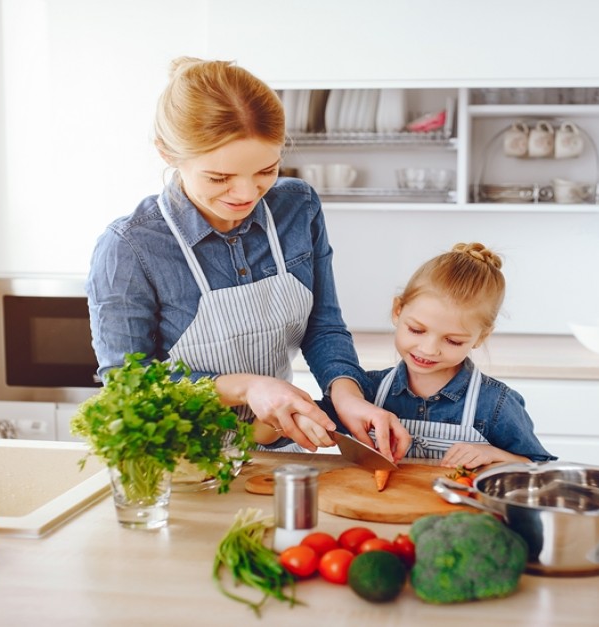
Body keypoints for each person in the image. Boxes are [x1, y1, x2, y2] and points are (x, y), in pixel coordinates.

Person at [85, 57, 409, 460]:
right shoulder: (130, 246)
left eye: (266, 170)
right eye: (219, 178)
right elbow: (127, 384)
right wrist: (246, 387)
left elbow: (322, 326)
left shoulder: (298, 207)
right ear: (167, 153)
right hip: (177, 465)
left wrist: (348, 396)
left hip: (274, 451)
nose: (245, 193)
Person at [319, 242, 555, 467]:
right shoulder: (366, 390)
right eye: (417, 330)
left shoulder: (495, 403)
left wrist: (492, 454)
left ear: (481, 337)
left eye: (452, 340)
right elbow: (307, 423)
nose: (429, 349)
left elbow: (539, 468)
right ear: (397, 311)